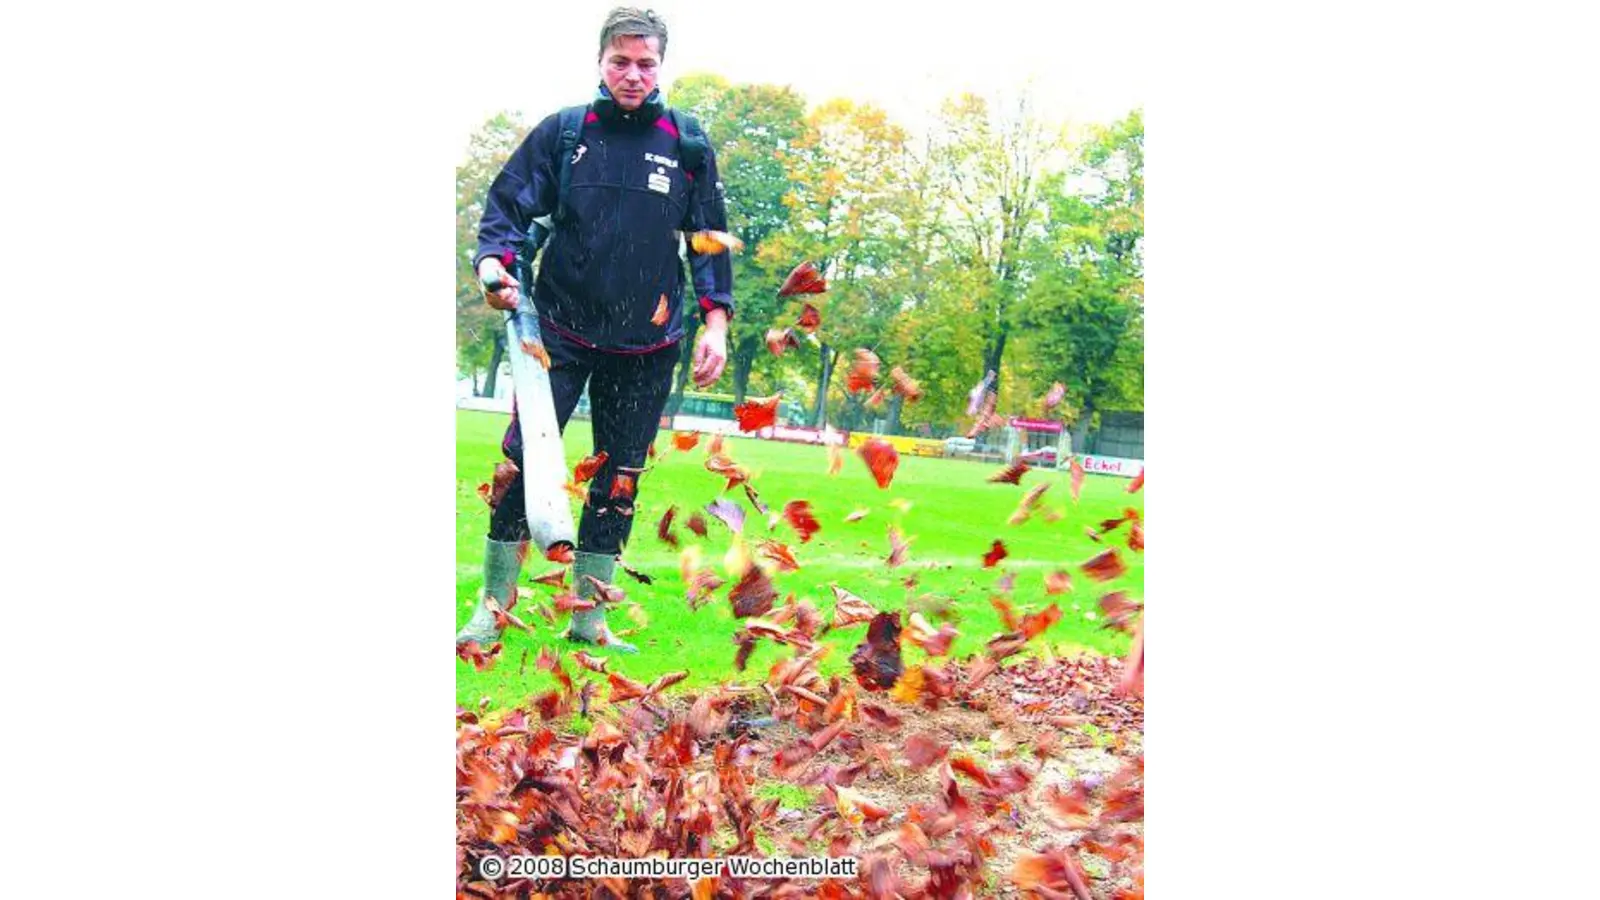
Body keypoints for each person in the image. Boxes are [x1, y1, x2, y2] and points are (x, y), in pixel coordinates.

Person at [456, 7, 733, 654]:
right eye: (620, 62)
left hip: (647, 346)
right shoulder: (565, 133)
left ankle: (589, 620)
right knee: (523, 468)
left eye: (645, 64)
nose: (632, 75)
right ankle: (491, 613)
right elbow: (508, 205)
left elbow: (709, 242)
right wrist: (493, 262)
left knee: (620, 480)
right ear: (601, 63)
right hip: (557, 333)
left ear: (661, 66)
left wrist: (715, 322)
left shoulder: (687, 144)